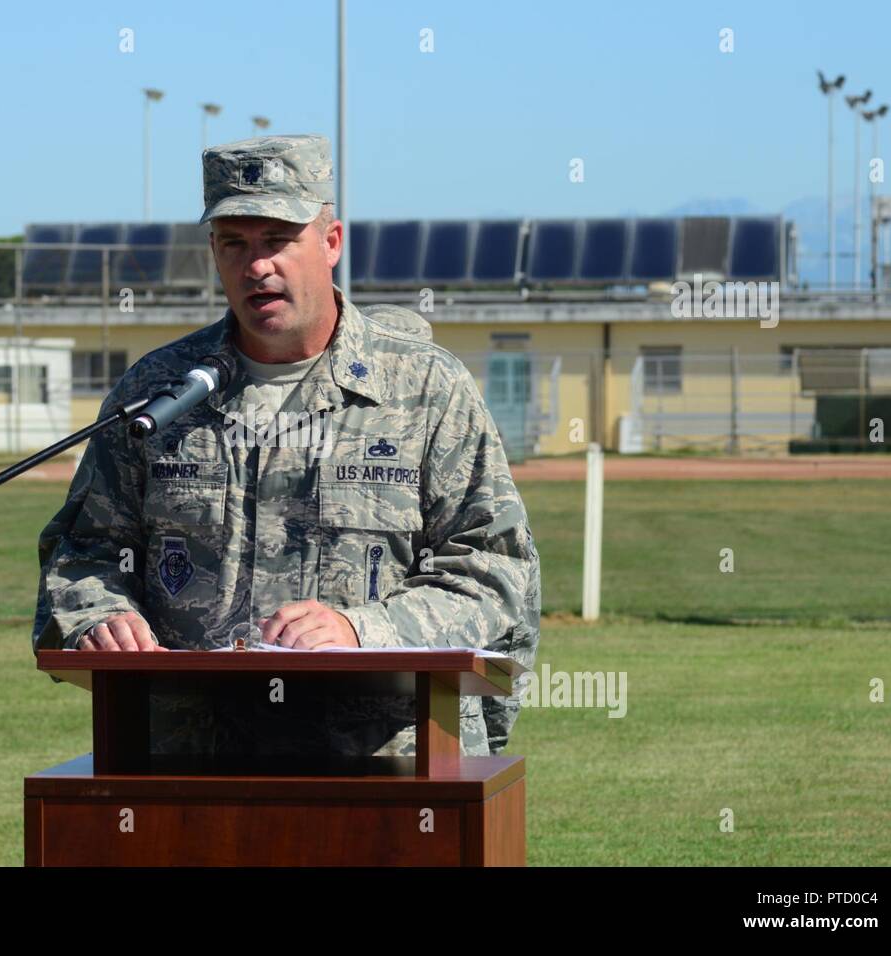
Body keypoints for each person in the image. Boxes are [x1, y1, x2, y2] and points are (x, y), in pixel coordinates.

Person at [32, 134, 540, 756]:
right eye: (234, 244)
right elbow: (84, 549)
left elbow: (495, 572)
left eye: (277, 240)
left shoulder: (427, 388)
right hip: (189, 760)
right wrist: (97, 616)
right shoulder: (156, 392)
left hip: (389, 764)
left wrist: (362, 629)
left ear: (330, 244)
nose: (256, 266)